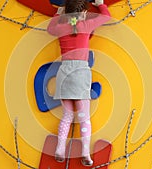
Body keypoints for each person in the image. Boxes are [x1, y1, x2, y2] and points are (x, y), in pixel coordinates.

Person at [47, 0, 110, 166]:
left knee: (66, 117)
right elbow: (106, 16)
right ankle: (85, 153)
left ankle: (60, 149)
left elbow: (49, 29)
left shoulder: (61, 28)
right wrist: (100, 3)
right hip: (80, 74)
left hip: (64, 73)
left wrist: (58, 13)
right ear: (83, 12)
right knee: (84, 118)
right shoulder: (85, 26)